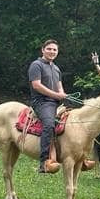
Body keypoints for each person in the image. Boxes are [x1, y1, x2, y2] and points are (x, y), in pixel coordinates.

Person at [27, 39, 68, 174]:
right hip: (42, 102)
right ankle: (44, 162)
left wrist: (62, 93)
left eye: (54, 50)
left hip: (55, 102)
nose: (52, 52)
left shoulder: (56, 68)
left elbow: (59, 86)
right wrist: (56, 95)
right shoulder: (36, 65)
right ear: (43, 50)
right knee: (49, 124)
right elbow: (36, 85)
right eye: (49, 49)